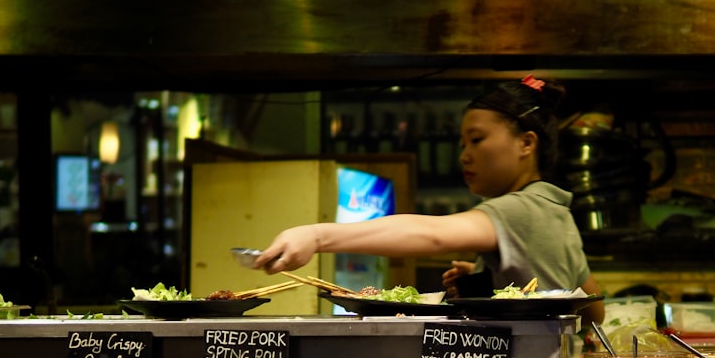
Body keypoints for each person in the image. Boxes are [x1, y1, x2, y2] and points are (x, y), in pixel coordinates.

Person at [254, 75, 605, 325]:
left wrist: (317, 237)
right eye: (462, 144)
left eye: (477, 140)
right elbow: (594, 309)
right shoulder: (556, 210)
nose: (464, 156)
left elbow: (431, 233)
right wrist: (489, 280)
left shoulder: (522, 209)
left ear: (527, 143)